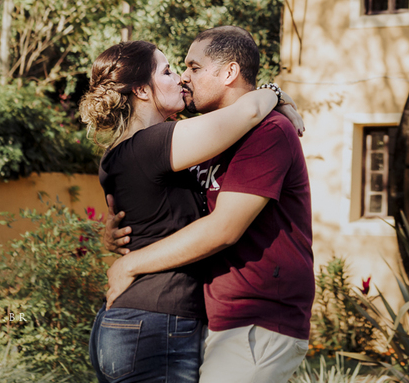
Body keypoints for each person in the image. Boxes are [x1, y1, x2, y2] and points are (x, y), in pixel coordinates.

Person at [79, 39, 302, 383]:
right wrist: (274, 92)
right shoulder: (155, 143)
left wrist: (124, 252)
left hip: (133, 323)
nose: (181, 78)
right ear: (141, 90)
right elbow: (249, 111)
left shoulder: (120, 155)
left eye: (189, 69)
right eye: (168, 71)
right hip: (155, 323)